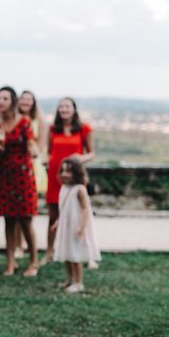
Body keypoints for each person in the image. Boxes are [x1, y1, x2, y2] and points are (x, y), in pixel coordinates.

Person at [0, 86, 40, 277]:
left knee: (26, 221)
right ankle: (11, 262)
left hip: (23, 176)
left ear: (13, 102)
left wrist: (34, 148)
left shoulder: (24, 122)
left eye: (5, 98)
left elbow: (31, 144)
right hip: (5, 176)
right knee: (8, 222)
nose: (1, 102)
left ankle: (34, 261)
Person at [42, 97, 95, 266]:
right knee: (53, 216)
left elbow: (91, 153)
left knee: (79, 215)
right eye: (61, 107)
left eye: (67, 106)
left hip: (76, 179)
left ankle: (87, 254)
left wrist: (81, 158)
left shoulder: (84, 129)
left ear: (74, 109)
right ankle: (50, 252)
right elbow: (49, 152)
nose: (64, 110)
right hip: (56, 177)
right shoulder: (53, 129)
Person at [52, 156, 101, 293]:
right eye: (62, 171)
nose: (64, 174)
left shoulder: (79, 189)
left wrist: (82, 227)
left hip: (75, 226)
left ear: (77, 173)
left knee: (75, 255)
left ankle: (78, 282)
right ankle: (70, 278)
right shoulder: (64, 188)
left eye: (69, 171)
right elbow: (63, 207)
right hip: (65, 227)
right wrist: (57, 221)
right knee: (66, 254)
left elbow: (85, 209)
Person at [14, 90, 48, 258]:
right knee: (15, 208)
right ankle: (18, 245)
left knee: (27, 210)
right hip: (15, 165)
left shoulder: (39, 120)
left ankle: (28, 245)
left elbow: (40, 146)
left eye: (29, 100)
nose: (26, 102)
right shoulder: (15, 119)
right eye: (23, 99)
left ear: (33, 103)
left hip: (32, 165)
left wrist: (32, 152)